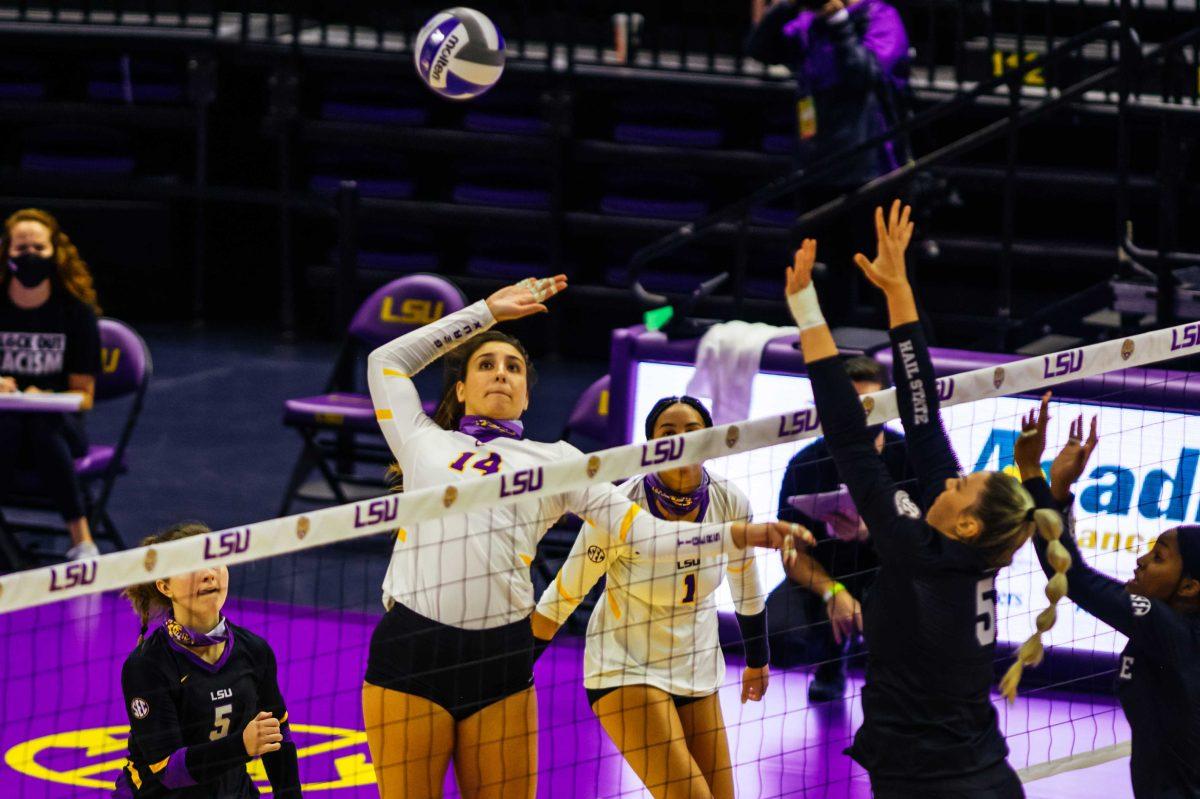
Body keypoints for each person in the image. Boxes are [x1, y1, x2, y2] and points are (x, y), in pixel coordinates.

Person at [360, 275, 809, 799]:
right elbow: (384, 363)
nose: (500, 374)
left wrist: (739, 534)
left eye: (513, 368)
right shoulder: (420, 440)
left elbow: (645, 536)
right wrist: (486, 313)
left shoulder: (561, 462)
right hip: (414, 648)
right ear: (460, 390)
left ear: (526, 396)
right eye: (486, 365)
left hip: (501, 659)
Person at [784, 201, 1065, 798]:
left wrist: (807, 310)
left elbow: (846, 433)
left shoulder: (917, 551)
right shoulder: (957, 546)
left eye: (961, 485)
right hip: (983, 769)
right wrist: (897, 287)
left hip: (929, 782)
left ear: (965, 523)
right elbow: (923, 414)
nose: (950, 479)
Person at [532, 395, 775, 799]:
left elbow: (746, 588)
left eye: (692, 431)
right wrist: (511, 670)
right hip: (625, 666)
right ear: (650, 447)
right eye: (668, 433)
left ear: (712, 440)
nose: (680, 440)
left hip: (696, 667)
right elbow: (563, 595)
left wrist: (758, 661)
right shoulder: (619, 508)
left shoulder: (731, 502)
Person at [1020, 409, 1200, 798]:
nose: (1140, 560)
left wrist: (1034, 473)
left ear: (1189, 588)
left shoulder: (1166, 626)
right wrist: (1059, 495)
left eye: (1159, 557)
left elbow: (1074, 578)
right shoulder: (1175, 627)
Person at [746, 0, 910, 325]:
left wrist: (839, 20)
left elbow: (864, 73)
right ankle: (827, 359)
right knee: (827, 281)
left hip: (872, 171)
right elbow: (761, 49)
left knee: (885, 279)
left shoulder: (879, 16)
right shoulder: (809, 22)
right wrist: (785, 7)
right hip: (819, 168)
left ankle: (906, 360)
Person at [115, 522, 301, 799]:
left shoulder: (254, 651)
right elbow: (170, 771)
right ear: (165, 586)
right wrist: (242, 745)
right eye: (191, 566)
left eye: (215, 561)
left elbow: (277, 737)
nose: (208, 574)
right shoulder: (147, 665)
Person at [773, 354, 913, 701]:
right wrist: (832, 594)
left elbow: (929, 545)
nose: (859, 414)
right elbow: (791, 554)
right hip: (826, 573)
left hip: (893, 575)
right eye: (850, 404)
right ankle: (829, 662)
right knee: (775, 636)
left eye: (869, 404)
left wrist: (873, 532)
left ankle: (890, 673)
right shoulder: (805, 465)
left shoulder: (910, 457)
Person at [0, 208, 102, 560]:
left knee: (42, 426)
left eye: (38, 248)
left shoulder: (76, 312)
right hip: (6, 427)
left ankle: (83, 542)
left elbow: (85, 397)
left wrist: (49, 396)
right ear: (7, 253)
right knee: (10, 425)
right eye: (21, 248)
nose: (30, 256)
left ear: (55, 252)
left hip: (60, 428)